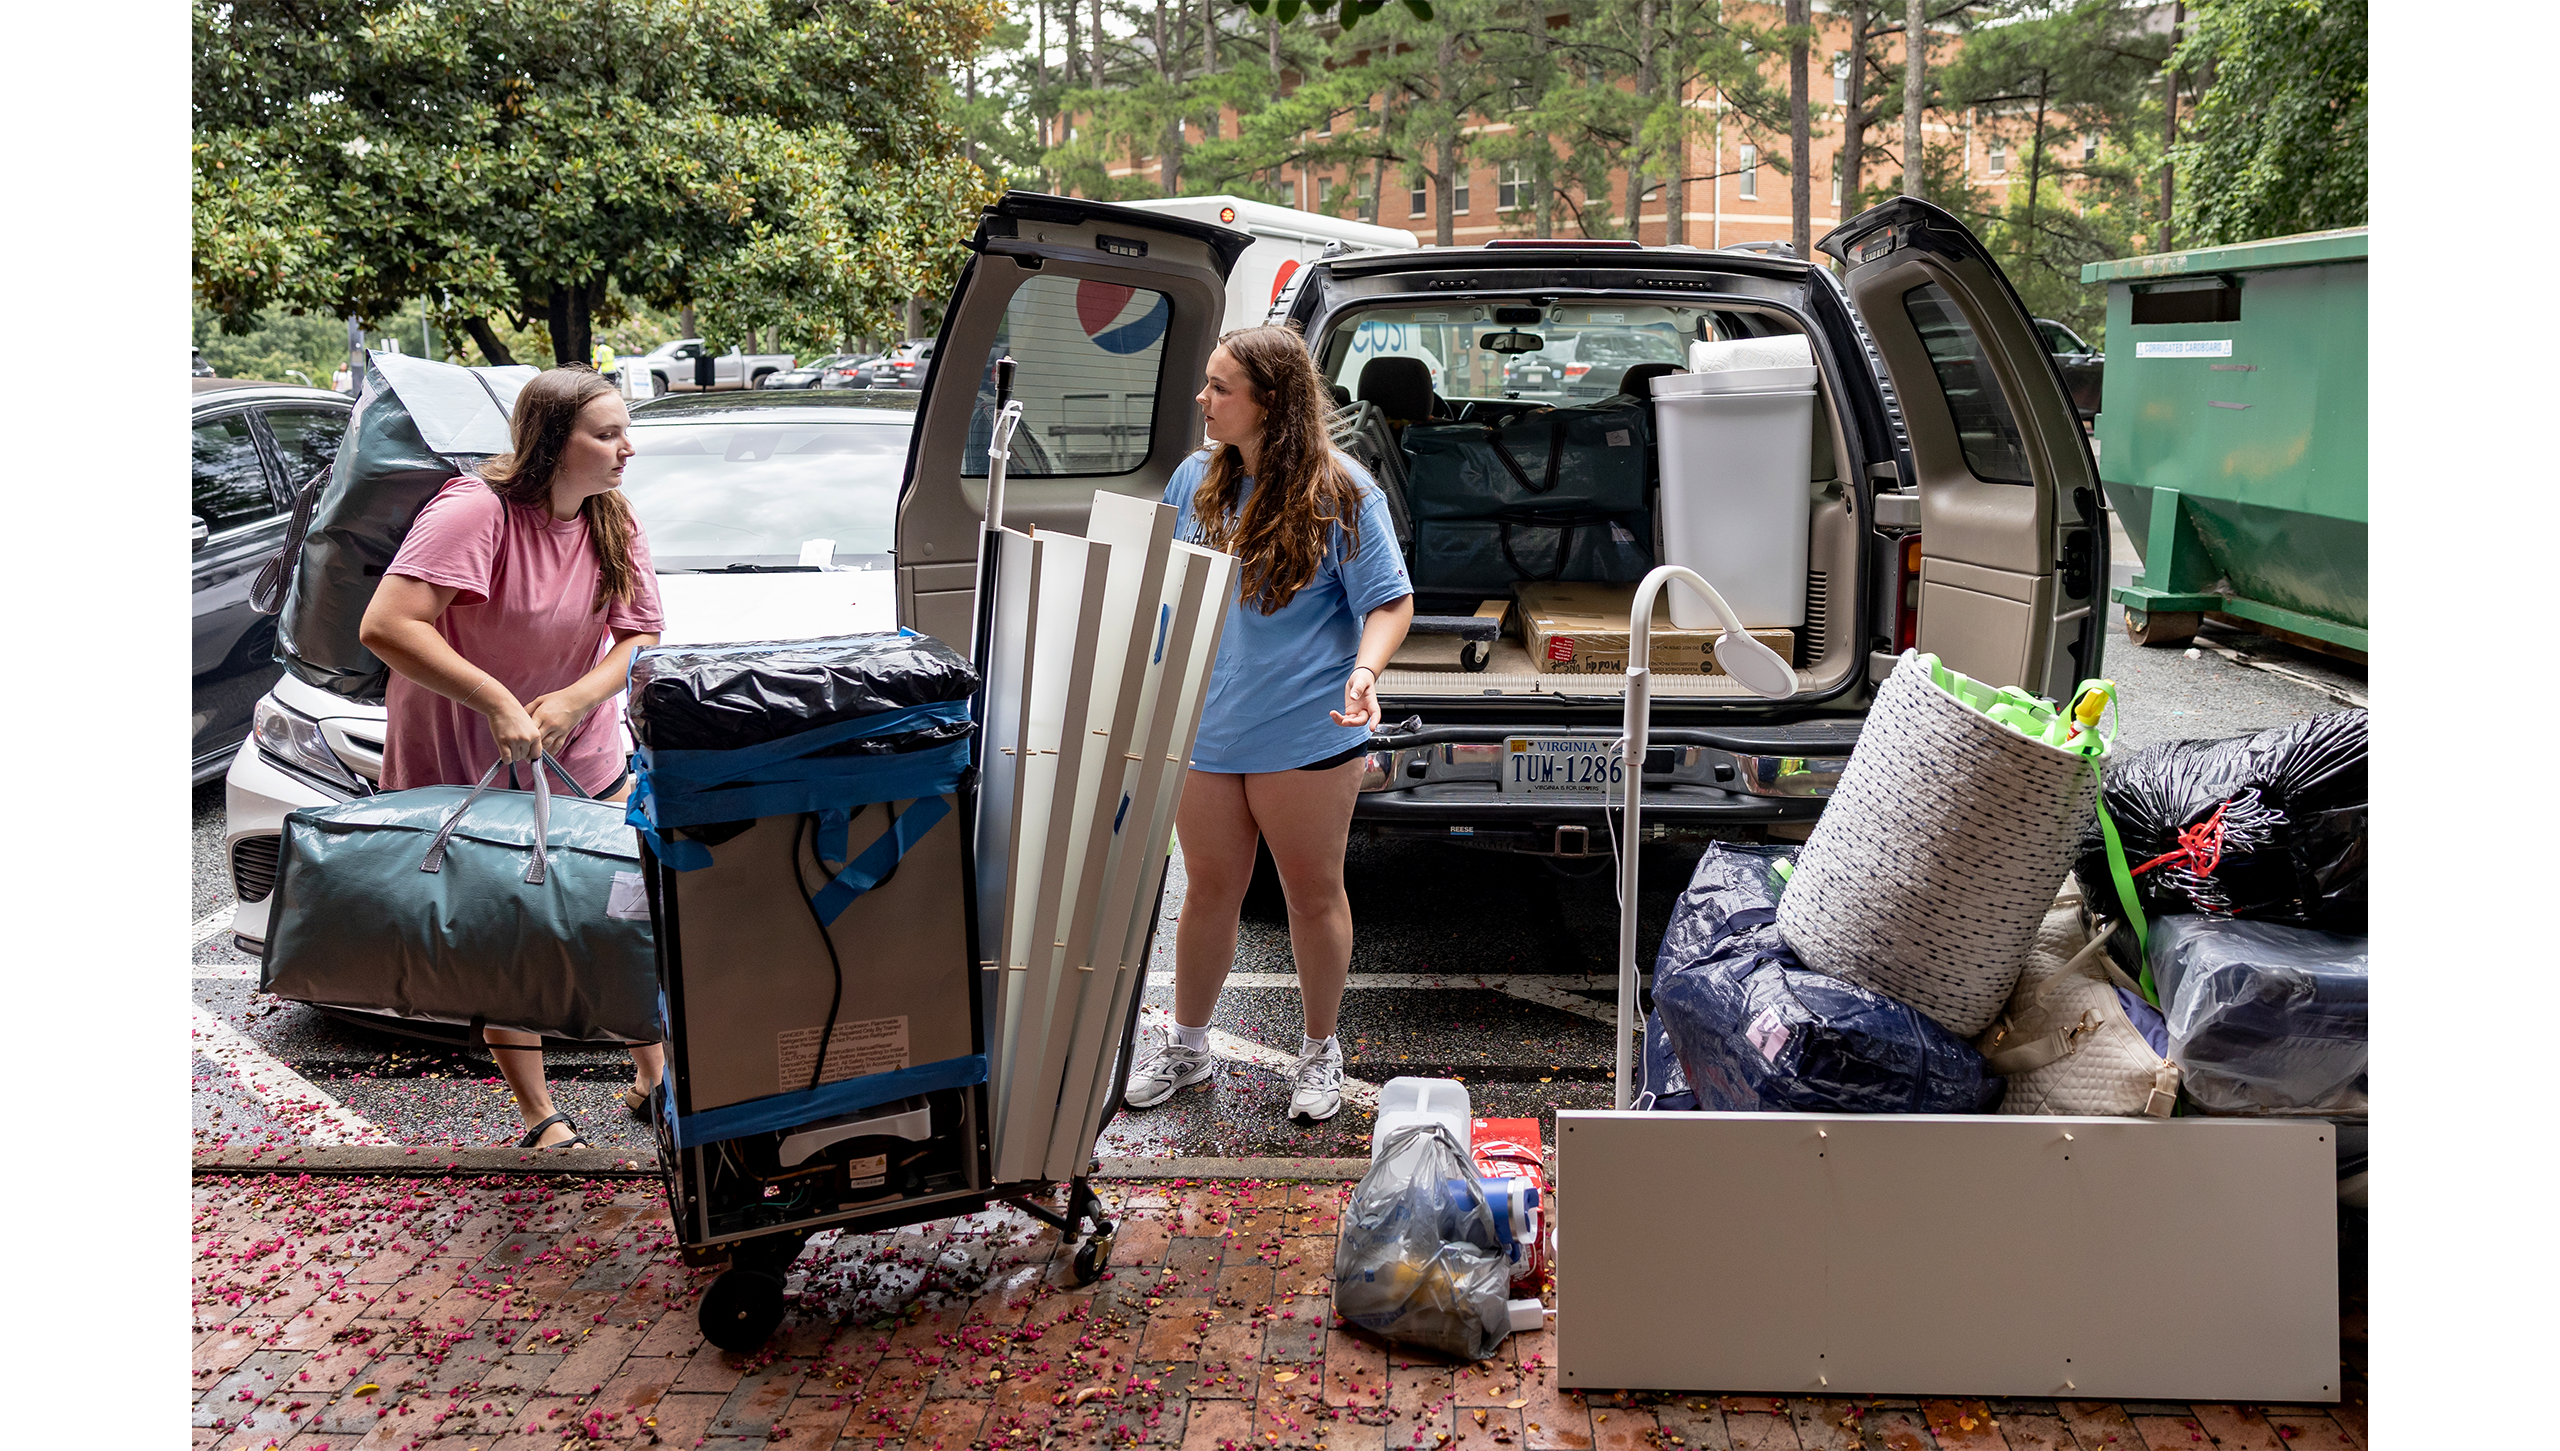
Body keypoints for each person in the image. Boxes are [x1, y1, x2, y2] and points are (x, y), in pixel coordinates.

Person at [357, 367, 668, 1149]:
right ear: (554, 441)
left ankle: (655, 1077)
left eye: (626, 430)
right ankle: (541, 1115)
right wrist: (498, 700)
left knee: (611, 913)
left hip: (576, 751)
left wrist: (574, 700)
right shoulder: (474, 511)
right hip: (467, 759)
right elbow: (388, 625)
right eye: (608, 434)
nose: (627, 448)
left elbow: (639, 637)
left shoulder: (610, 518)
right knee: (508, 930)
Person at [1123, 325, 1415, 1125]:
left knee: (1311, 895)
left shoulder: (1343, 491)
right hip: (1209, 730)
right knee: (1210, 890)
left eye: (1220, 386)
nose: (1203, 398)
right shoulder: (1193, 481)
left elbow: (1390, 601)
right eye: (1207, 383)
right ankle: (1187, 1045)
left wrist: (1365, 671)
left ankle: (1320, 1050)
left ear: (1272, 402)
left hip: (1305, 732)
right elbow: (1161, 591)